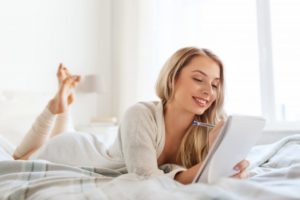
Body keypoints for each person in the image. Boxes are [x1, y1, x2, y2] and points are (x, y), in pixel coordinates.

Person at [13, 47, 249, 184]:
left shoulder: (207, 126)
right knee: (19, 158)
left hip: (93, 148)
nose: (209, 91)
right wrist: (208, 167)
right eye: (198, 79)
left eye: (216, 84)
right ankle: (55, 106)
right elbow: (147, 178)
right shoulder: (139, 114)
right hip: (76, 151)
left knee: (59, 133)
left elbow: (208, 171)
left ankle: (62, 105)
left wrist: (227, 161)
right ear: (171, 79)